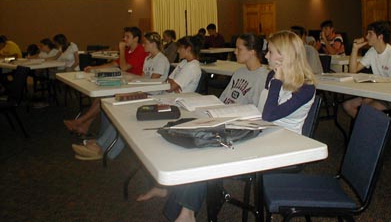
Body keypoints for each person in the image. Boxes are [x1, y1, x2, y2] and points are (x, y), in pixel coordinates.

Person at [136, 34, 268, 222]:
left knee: (199, 150)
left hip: (235, 126)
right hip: (219, 118)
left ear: (252, 52)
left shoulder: (263, 77)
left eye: (239, 49)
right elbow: (222, 100)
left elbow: (255, 112)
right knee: (179, 134)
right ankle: (172, 195)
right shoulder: (239, 73)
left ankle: (186, 212)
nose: (234, 51)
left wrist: (222, 115)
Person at [71, 32, 169, 161]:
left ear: (153, 44)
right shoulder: (148, 58)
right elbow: (143, 78)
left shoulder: (161, 60)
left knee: (120, 113)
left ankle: (100, 147)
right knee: (111, 104)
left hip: (153, 96)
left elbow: (152, 84)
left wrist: (134, 90)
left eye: (145, 43)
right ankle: (101, 143)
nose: (143, 45)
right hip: (143, 92)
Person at [64, 27, 147, 135]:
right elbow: (114, 64)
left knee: (104, 97)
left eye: (127, 37)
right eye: (124, 36)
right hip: (126, 82)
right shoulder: (128, 50)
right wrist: (94, 68)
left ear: (136, 38)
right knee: (100, 97)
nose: (124, 39)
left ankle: (79, 122)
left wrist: (121, 50)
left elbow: (124, 67)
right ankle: (84, 126)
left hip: (136, 85)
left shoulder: (140, 50)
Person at [342, 21, 391, 118]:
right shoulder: (372, 52)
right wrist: (355, 49)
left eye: (370, 34)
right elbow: (353, 71)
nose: (367, 36)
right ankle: (369, 128)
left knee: (366, 109)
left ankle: (372, 129)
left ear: (380, 37)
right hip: (380, 93)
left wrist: (373, 96)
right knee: (347, 106)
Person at [258, 30, 316, 134]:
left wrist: (277, 82)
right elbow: (265, 107)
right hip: (266, 131)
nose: (266, 56)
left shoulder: (306, 88)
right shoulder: (272, 75)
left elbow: (269, 115)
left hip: (289, 138)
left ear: (285, 56)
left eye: (270, 52)